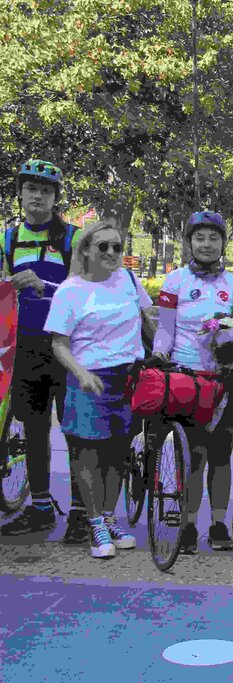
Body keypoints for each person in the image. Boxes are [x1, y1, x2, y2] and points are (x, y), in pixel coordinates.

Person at [44, 219, 152, 558]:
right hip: (90, 379)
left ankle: (108, 517)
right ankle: (94, 523)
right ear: (86, 250)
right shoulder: (70, 290)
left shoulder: (129, 280)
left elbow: (149, 320)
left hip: (128, 377)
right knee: (88, 452)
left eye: (117, 246)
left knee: (118, 453)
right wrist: (81, 373)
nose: (111, 252)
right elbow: (58, 343)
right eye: (103, 246)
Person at [152, 211, 233, 553]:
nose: (207, 244)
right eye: (199, 238)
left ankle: (219, 524)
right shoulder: (175, 282)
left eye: (214, 238)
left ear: (224, 242)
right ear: (189, 242)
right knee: (192, 455)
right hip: (187, 381)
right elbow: (165, 329)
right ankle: (188, 524)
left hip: (227, 380)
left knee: (221, 455)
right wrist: (159, 354)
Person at [0, 160, 91, 543]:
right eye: (31, 189)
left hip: (67, 347)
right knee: (34, 430)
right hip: (25, 347)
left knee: (75, 430)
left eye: (45, 190)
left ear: (56, 198)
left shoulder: (74, 238)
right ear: (20, 194)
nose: (37, 196)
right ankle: (39, 509)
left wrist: (45, 286)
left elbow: (90, 292)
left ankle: (82, 514)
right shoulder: (8, 239)